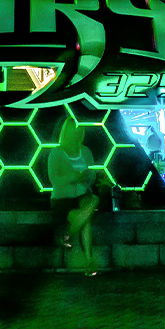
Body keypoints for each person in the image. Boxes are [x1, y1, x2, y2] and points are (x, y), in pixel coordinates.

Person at [49, 117, 102, 275]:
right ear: (66, 132)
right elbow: (54, 180)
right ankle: (89, 261)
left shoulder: (85, 151)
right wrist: (73, 177)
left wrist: (85, 177)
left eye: (78, 131)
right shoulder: (56, 153)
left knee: (93, 200)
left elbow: (92, 177)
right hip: (62, 199)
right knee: (85, 219)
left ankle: (68, 235)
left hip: (83, 195)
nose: (75, 134)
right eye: (72, 131)